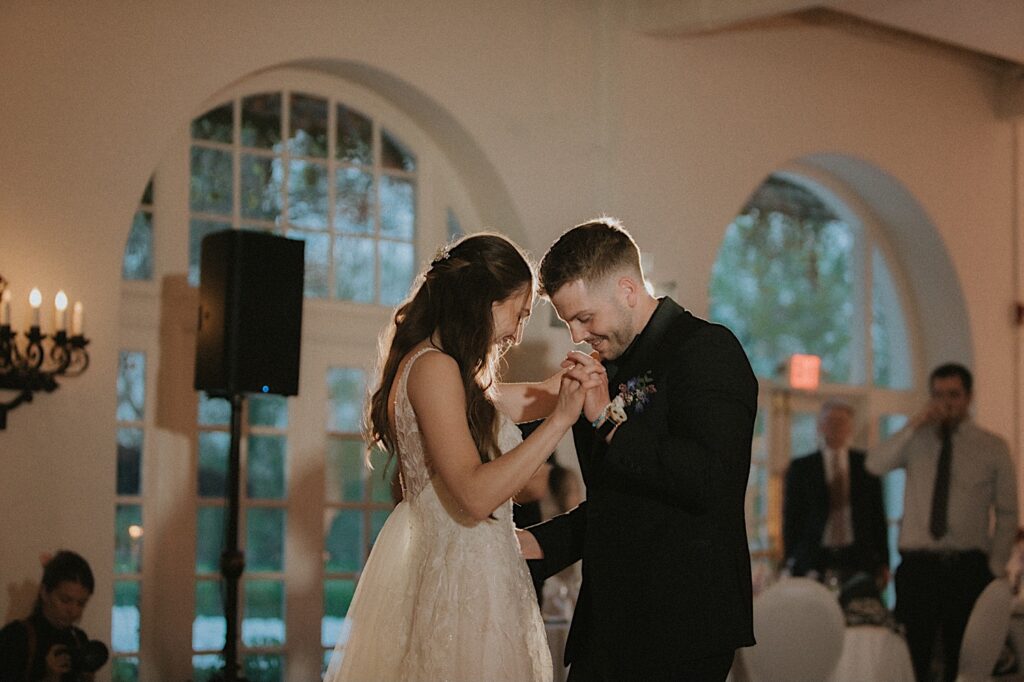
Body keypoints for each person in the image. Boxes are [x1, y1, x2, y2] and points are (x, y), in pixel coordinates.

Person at [323, 233, 602, 682]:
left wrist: (597, 360)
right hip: (463, 587)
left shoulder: (449, 374)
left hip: (476, 574)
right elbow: (474, 495)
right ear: (486, 300)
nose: (517, 332)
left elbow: (539, 396)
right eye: (520, 312)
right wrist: (559, 424)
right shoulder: (434, 367)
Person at [519, 217, 758, 681]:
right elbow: (615, 506)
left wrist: (608, 419)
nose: (577, 335)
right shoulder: (607, 371)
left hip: (681, 628)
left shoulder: (708, 350)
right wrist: (535, 543)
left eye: (584, 318)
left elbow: (709, 480)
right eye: (569, 322)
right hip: (605, 629)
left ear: (628, 290)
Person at [867, 362, 1017, 682]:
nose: (945, 402)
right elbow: (875, 464)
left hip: (966, 567)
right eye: (937, 394)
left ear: (969, 397)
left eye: (953, 395)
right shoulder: (916, 440)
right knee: (911, 657)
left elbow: (1008, 512)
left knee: (960, 657)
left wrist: (995, 565)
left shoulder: (992, 447)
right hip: (918, 567)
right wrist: (913, 424)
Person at [783, 400, 889, 588]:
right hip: (814, 555)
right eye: (830, 421)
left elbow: (877, 515)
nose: (836, 426)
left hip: (858, 555)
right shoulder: (802, 468)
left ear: (850, 427)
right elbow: (792, 517)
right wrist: (790, 557)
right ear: (820, 426)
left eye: (841, 421)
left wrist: (883, 561)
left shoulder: (866, 464)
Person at [0, 550, 100, 682]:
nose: (73, 611)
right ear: (44, 592)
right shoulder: (15, 637)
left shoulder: (79, 639)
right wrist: (50, 677)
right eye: (65, 600)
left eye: (81, 603)